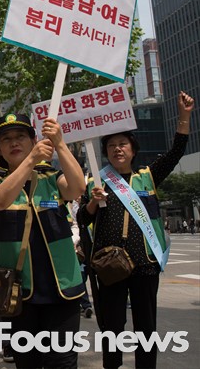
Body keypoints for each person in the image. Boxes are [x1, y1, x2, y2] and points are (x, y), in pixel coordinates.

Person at [78, 91, 194, 369]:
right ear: (106, 152)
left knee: (146, 325)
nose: (117, 149)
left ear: (133, 149)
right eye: (111, 146)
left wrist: (184, 116)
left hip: (145, 263)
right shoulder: (96, 182)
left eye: (123, 144)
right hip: (109, 265)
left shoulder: (148, 177)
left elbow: (176, 152)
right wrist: (93, 201)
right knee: (112, 326)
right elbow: (82, 219)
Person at [0, 113, 86, 368]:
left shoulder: (52, 178)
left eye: (20, 136)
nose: (14, 142)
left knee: (63, 363)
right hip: (18, 295)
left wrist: (59, 144)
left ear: (34, 140)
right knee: (27, 363)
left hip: (62, 289)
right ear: (0, 149)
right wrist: (31, 160)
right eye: (6, 139)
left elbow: (77, 188)